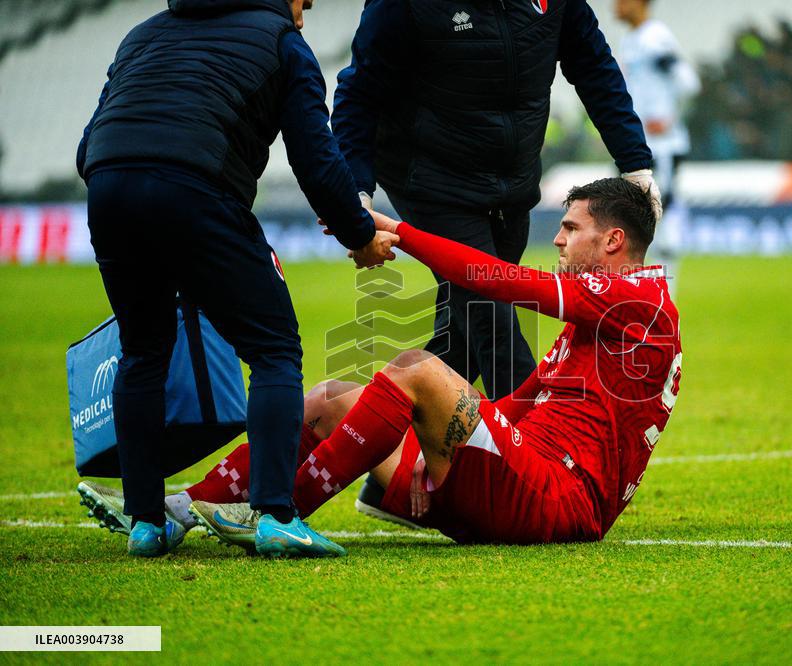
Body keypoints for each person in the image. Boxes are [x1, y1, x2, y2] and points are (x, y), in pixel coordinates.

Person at [80, 178, 682, 547]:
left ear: (612, 242)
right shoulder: (609, 317)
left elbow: (500, 280)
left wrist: (400, 232)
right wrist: (447, 444)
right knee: (326, 399)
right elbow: (524, 403)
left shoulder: (640, 301)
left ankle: (278, 515)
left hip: (559, 500)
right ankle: (181, 509)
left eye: (571, 228)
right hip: (523, 476)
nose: (558, 239)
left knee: (419, 368)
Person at [77, 0, 397, 558]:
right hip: (198, 192)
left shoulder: (141, 35)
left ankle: (147, 524)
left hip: (109, 189)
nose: (311, 3)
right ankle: (275, 516)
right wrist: (359, 233)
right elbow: (317, 163)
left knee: (143, 351)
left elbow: (88, 146)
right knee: (273, 348)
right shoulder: (280, 42)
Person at [332, 0, 661, 401]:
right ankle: (541, 451)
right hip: (433, 183)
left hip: (513, 187)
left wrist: (636, 166)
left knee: (462, 342)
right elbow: (359, 93)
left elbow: (594, 67)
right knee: (495, 323)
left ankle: (390, 446)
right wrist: (356, 195)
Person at [615, 0, 700, 295]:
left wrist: (670, 118)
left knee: (659, 220)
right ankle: (644, 296)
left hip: (663, 146)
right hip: (641, 145)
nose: (616, 6)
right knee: (638, 219)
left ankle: (666, 300)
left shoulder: (655, 37)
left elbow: (688, 83)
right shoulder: (630, 40)